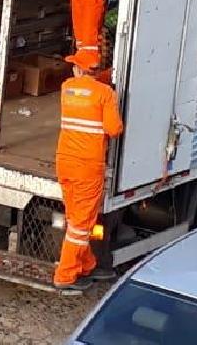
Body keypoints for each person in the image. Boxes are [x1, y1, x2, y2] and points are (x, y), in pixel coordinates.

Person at [54, 49, 124, 293]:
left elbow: (83, 90)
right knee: (82, 225)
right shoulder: (105, 94)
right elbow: (114, 129)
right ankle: (66, 274)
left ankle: (87, 265)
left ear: (78, 69)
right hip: (87, 167)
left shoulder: (66, 89)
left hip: (65, 162)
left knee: (75, 218)